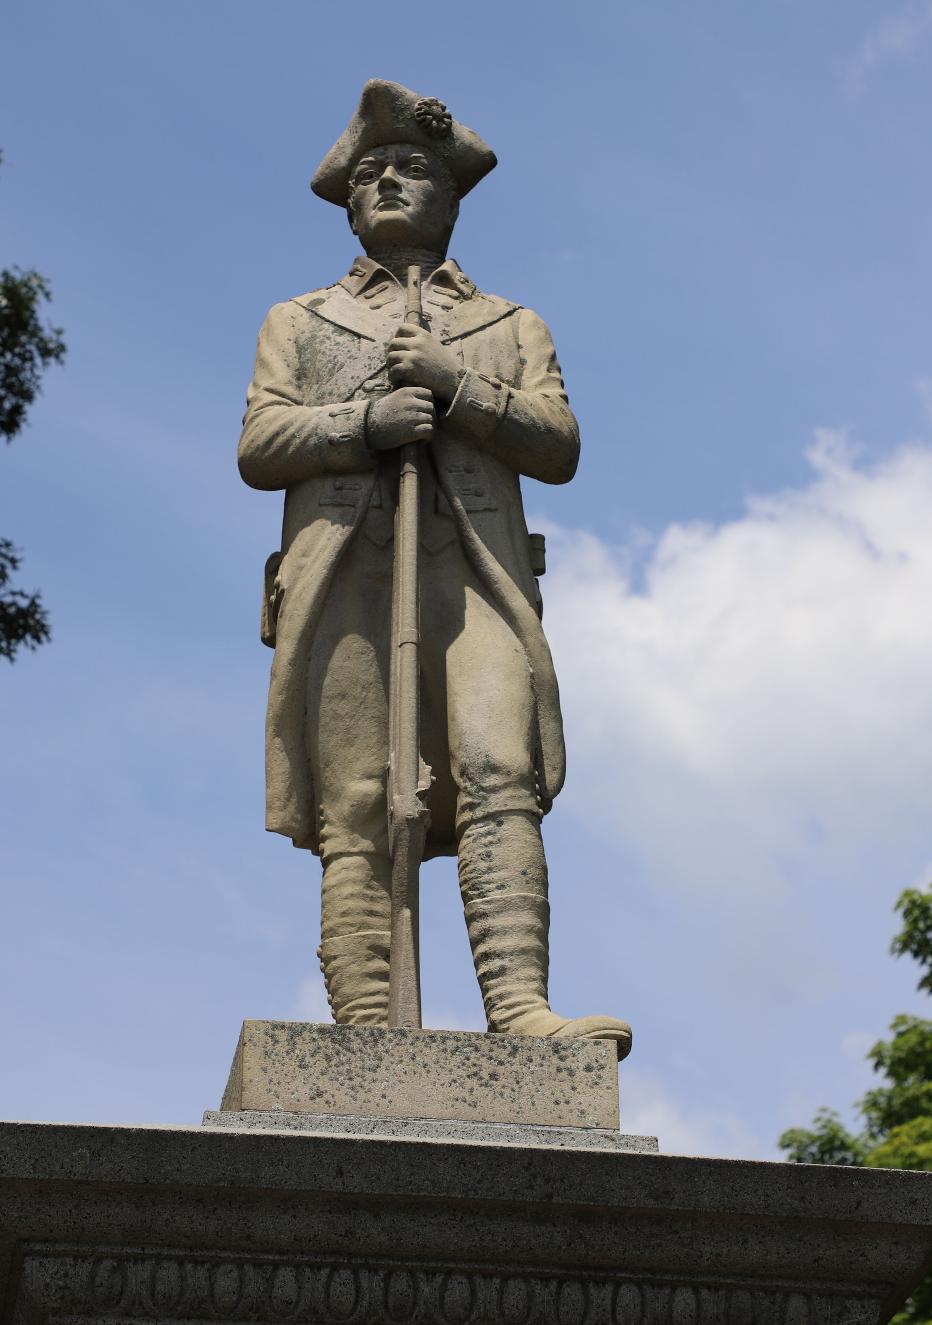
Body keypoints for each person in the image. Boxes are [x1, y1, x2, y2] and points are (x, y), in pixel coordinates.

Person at [238, 80, 631, 1058]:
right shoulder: (301, 318)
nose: (385, 182)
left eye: (409, 167)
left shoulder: (508, 323)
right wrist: (360, 423)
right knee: (360, 800)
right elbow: (260, 442)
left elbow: (559, 441)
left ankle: (521, 1010)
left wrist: (455, 387)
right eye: (367, 172)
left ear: (452, 195)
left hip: (477, 576)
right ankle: (365, 1032)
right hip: (345, 578)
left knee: (501, 769)